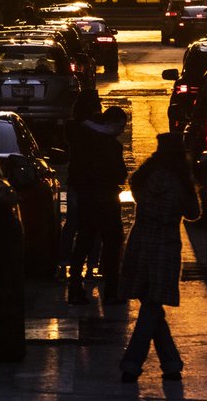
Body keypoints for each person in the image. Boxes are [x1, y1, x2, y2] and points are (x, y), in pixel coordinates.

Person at [118, 132, 200, 384]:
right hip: (165, 247)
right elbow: (194, 213)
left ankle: (171, 364)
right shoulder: (180, 181)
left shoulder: (144, 176)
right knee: (153, 306)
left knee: (150, 305)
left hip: (140, 242)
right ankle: (132, 364)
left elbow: (134, 189)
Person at [67, 104, 128, 305]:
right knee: (112, 243)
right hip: (106, 199)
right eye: (121, 127)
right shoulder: (110, 145)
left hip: (86, 198)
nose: (122, 131)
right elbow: (120, 174)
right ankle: (111, 291)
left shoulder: (83, 137)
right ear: (112, 124)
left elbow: (74, 169)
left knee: (83, 242)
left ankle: (75, 288)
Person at [58, 88, 103, 280]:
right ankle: (91, 265)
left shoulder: (72, 126)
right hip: (92, 182)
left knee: (73, 223)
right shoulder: (95, 129)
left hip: (77, 180)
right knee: (93, 224)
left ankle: (64, 263)